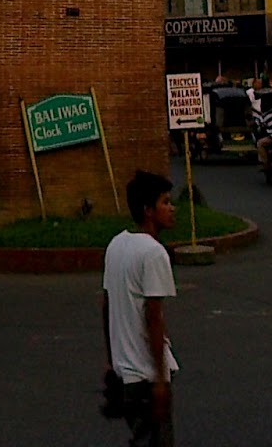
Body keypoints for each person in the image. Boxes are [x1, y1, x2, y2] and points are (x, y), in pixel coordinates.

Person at [102, 170, 178, 447]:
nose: (172, 209)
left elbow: (106, 305)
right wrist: (160, 379)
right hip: (146, 375)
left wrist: (112, 360)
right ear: (148, 211)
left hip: (125, 373)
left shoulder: (116, 244)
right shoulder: (154, 253)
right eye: (165, 202)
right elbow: (154, 318)